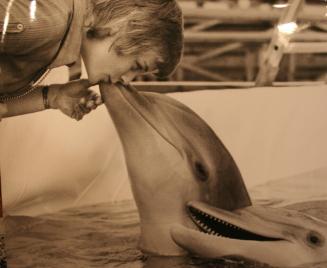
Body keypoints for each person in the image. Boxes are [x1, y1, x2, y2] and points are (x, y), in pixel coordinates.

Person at [0, 0, 183, 121]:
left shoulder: (58, 31)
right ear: (122, 26)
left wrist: (53, 97)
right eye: (136, 66)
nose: (126, 80)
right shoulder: (47, 23)